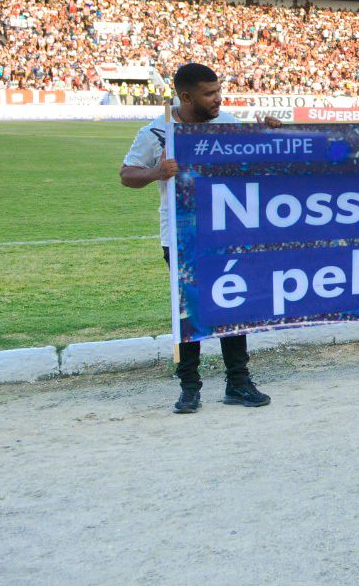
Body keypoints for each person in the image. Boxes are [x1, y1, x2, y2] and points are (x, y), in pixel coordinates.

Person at [120, 62, 280, 413]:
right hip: (180, 237)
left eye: (219, 91)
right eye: (210, 94)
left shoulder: (228, 126)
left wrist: (268, 134)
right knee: (189, 310)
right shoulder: (157, 133)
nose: (218, 99)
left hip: (226, 234)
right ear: (186, 96)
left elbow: (257, 159)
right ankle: (189, 387)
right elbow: (127, 175)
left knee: (233, 304)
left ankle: (238, 382)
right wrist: (156, 172)